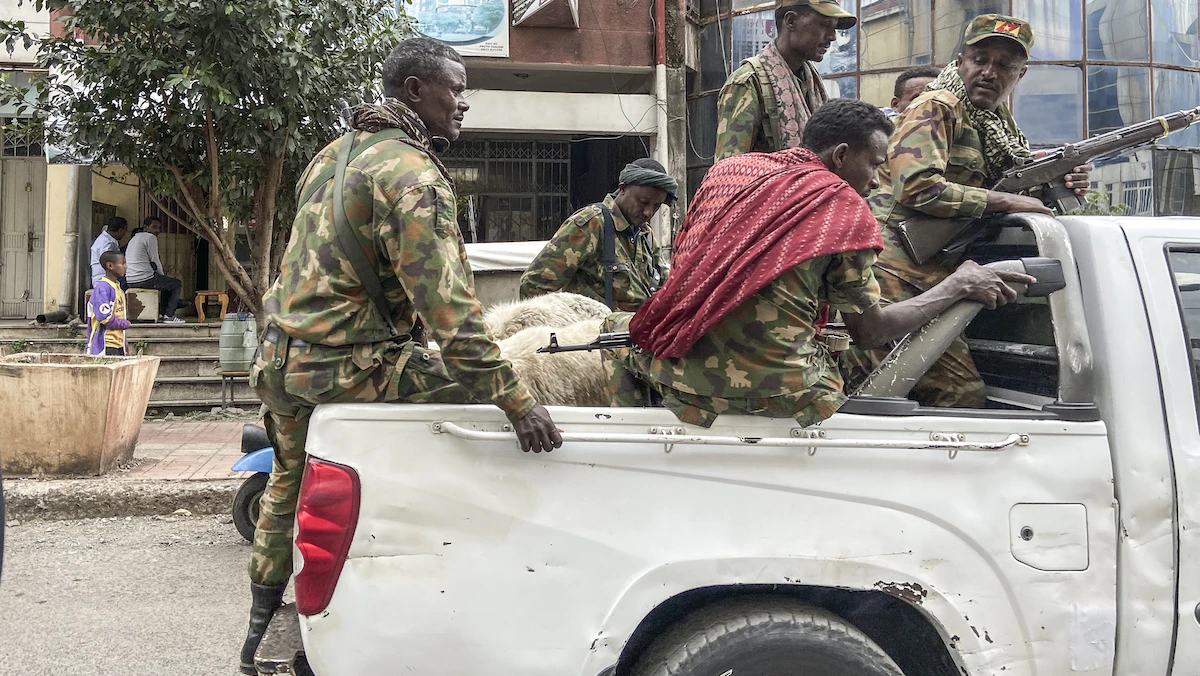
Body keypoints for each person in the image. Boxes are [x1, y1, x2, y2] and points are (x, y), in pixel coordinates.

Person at [239, 37, 562, 674]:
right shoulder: (412, 175)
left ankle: (259, 637)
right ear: (415, 91)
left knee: (286, 482)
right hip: (345, 365)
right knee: (499, 382)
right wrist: (519, 402)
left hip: (279, 359)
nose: (464, 103)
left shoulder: (333, 155)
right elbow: (454, 320)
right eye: (456, 89)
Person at [604, 99, 1034, 428]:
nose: (877, 181)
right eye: (875, 165)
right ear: (841, 155)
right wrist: (958, 285)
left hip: (678, 377)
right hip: (784, 396)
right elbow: (871, 331)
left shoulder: (727, 173)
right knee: (840, 371)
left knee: (613, 332)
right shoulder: (844, 210)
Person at [842, 14, 1091, 408]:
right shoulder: (937, 106)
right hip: (892, 272)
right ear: (960, 63)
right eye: (980, 60)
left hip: (934, 274)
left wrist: (1059, 179)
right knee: (909, 394)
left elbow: (1003, 180)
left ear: (1020, 74)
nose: (989, 72)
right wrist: (1006, 201)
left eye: (1004, 65)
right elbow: (918, 186)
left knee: (931, 395)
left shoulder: (996, 126)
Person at [519, 158, 676, 311]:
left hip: (640, 326)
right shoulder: (591, 224)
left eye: (656, 206)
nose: (648, 212)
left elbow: (666, 283)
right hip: (595, 325)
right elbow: (533, 285)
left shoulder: (645, 234)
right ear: (622, 189)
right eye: (643, 202)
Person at [713, 0, 855, 161]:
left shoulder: (813, 85)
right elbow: (729, 170)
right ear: (791, 21)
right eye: (824, 24)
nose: (832, 36)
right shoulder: (749, 82)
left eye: (834, 27)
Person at [125, 217, 185, 323]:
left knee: (166, 284)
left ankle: (162, 314)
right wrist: (162, 275)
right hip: (144, 279)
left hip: (130, 280)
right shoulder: (150, 237)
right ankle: (169, 315)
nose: (157, 230)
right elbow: (155, 260)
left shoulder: (134, 238)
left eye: (159, 228)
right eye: (154, 227)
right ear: (145, 227)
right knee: (176, 284)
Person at [86, 250, 131, 356]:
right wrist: (125, 324)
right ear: (110, 266)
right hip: (105, 345)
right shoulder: (103, 288)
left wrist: (124, 340)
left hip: (118, 344)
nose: (125, 267)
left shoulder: (118, 287)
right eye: (122, 263)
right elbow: (104, 317)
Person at [89, 217, 128, 289]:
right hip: (104, 279)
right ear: (120, 230)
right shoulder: (105, 243)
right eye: (125, 231)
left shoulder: (109, 240)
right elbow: (109, 265)